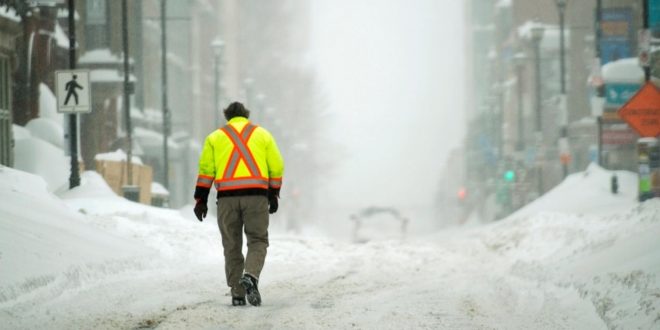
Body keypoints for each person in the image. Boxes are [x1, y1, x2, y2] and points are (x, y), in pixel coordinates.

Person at [193, 101, 284, 307]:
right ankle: (251, 275)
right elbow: (276, 165)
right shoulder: (263, 135)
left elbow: (206, 170)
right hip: (256, 197)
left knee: (231, 244)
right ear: (246, 115)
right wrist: (274, 193)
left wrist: (201, 199)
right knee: (258, 240)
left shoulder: (215, 137)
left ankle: (237, 292)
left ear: (227, 117)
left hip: (226, 199)